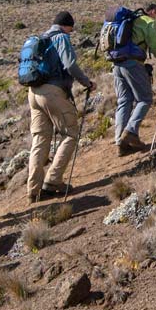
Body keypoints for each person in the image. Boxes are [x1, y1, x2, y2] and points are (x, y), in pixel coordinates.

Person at [27, 11, 95, 203]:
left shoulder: (42, 38)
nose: (71, 33)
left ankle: (33, 190)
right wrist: (86, 82)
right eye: (71, 29)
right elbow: (70, 65)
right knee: (71, 133)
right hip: (52, 92)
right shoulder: (61, 38)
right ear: (67, 26)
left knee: (40, 140)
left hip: (33, 92)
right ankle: (53, 180)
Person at [114, 5, 156, 156]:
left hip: (116, 64)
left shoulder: (129, 21)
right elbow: (155, 45)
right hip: (132, 63)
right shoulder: (148, 22)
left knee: (124, 100)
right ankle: (129, 132)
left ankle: (121, 142)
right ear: (153, 12)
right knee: (145, 98)